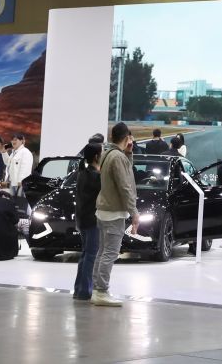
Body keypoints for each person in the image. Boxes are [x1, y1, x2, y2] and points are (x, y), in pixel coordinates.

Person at [91, 122, 139, 307]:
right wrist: (134, 212)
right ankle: (101, 291)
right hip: (114, 212)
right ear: (127, 138)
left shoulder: (108, 154)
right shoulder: (117, 157)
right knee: (110, 253)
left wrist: (129, 153)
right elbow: (125, 186)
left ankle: (97, 289)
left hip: (104, 210)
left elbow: (125, 174)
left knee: (103, 252)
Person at [73, 144, 102, 300]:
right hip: (92, 220)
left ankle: (79, 289)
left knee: (85, 254)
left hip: (82, 219)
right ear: (97, 156)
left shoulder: (82, 173)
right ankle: (85, 291)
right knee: (90, 255)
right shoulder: (95, 176)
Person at [5, 133, 34, 198]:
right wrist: (4, 153)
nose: (13, 141)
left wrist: (21, 180)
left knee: (21, 202)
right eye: (12, 140)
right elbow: (7, 163)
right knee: (13, 201)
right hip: (13, 182)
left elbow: (25, 167)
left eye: (15, 140)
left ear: (21, 141)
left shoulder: (25, 152)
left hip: (20, 183)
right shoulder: (13, 152)